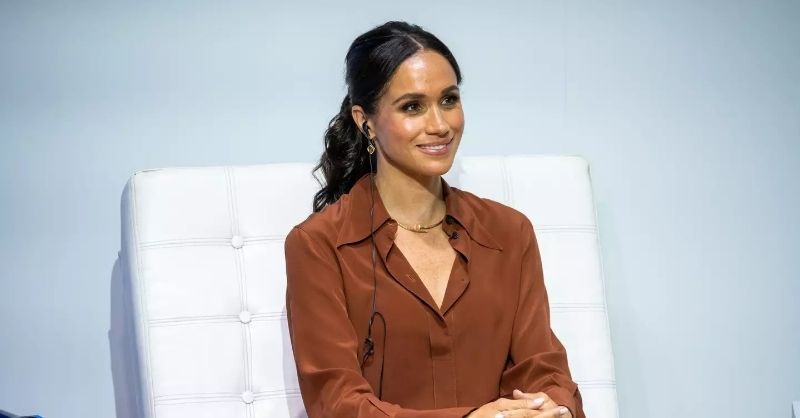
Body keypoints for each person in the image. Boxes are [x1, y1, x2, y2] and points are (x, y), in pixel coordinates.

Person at [284, 21, 585, 418]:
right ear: (365, 121)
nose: (440, 125)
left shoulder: (509, 233)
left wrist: (554, 407)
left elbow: (543, 367)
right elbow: (337, 402)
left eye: (449, 100)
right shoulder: (318, 245)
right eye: (412, 106)